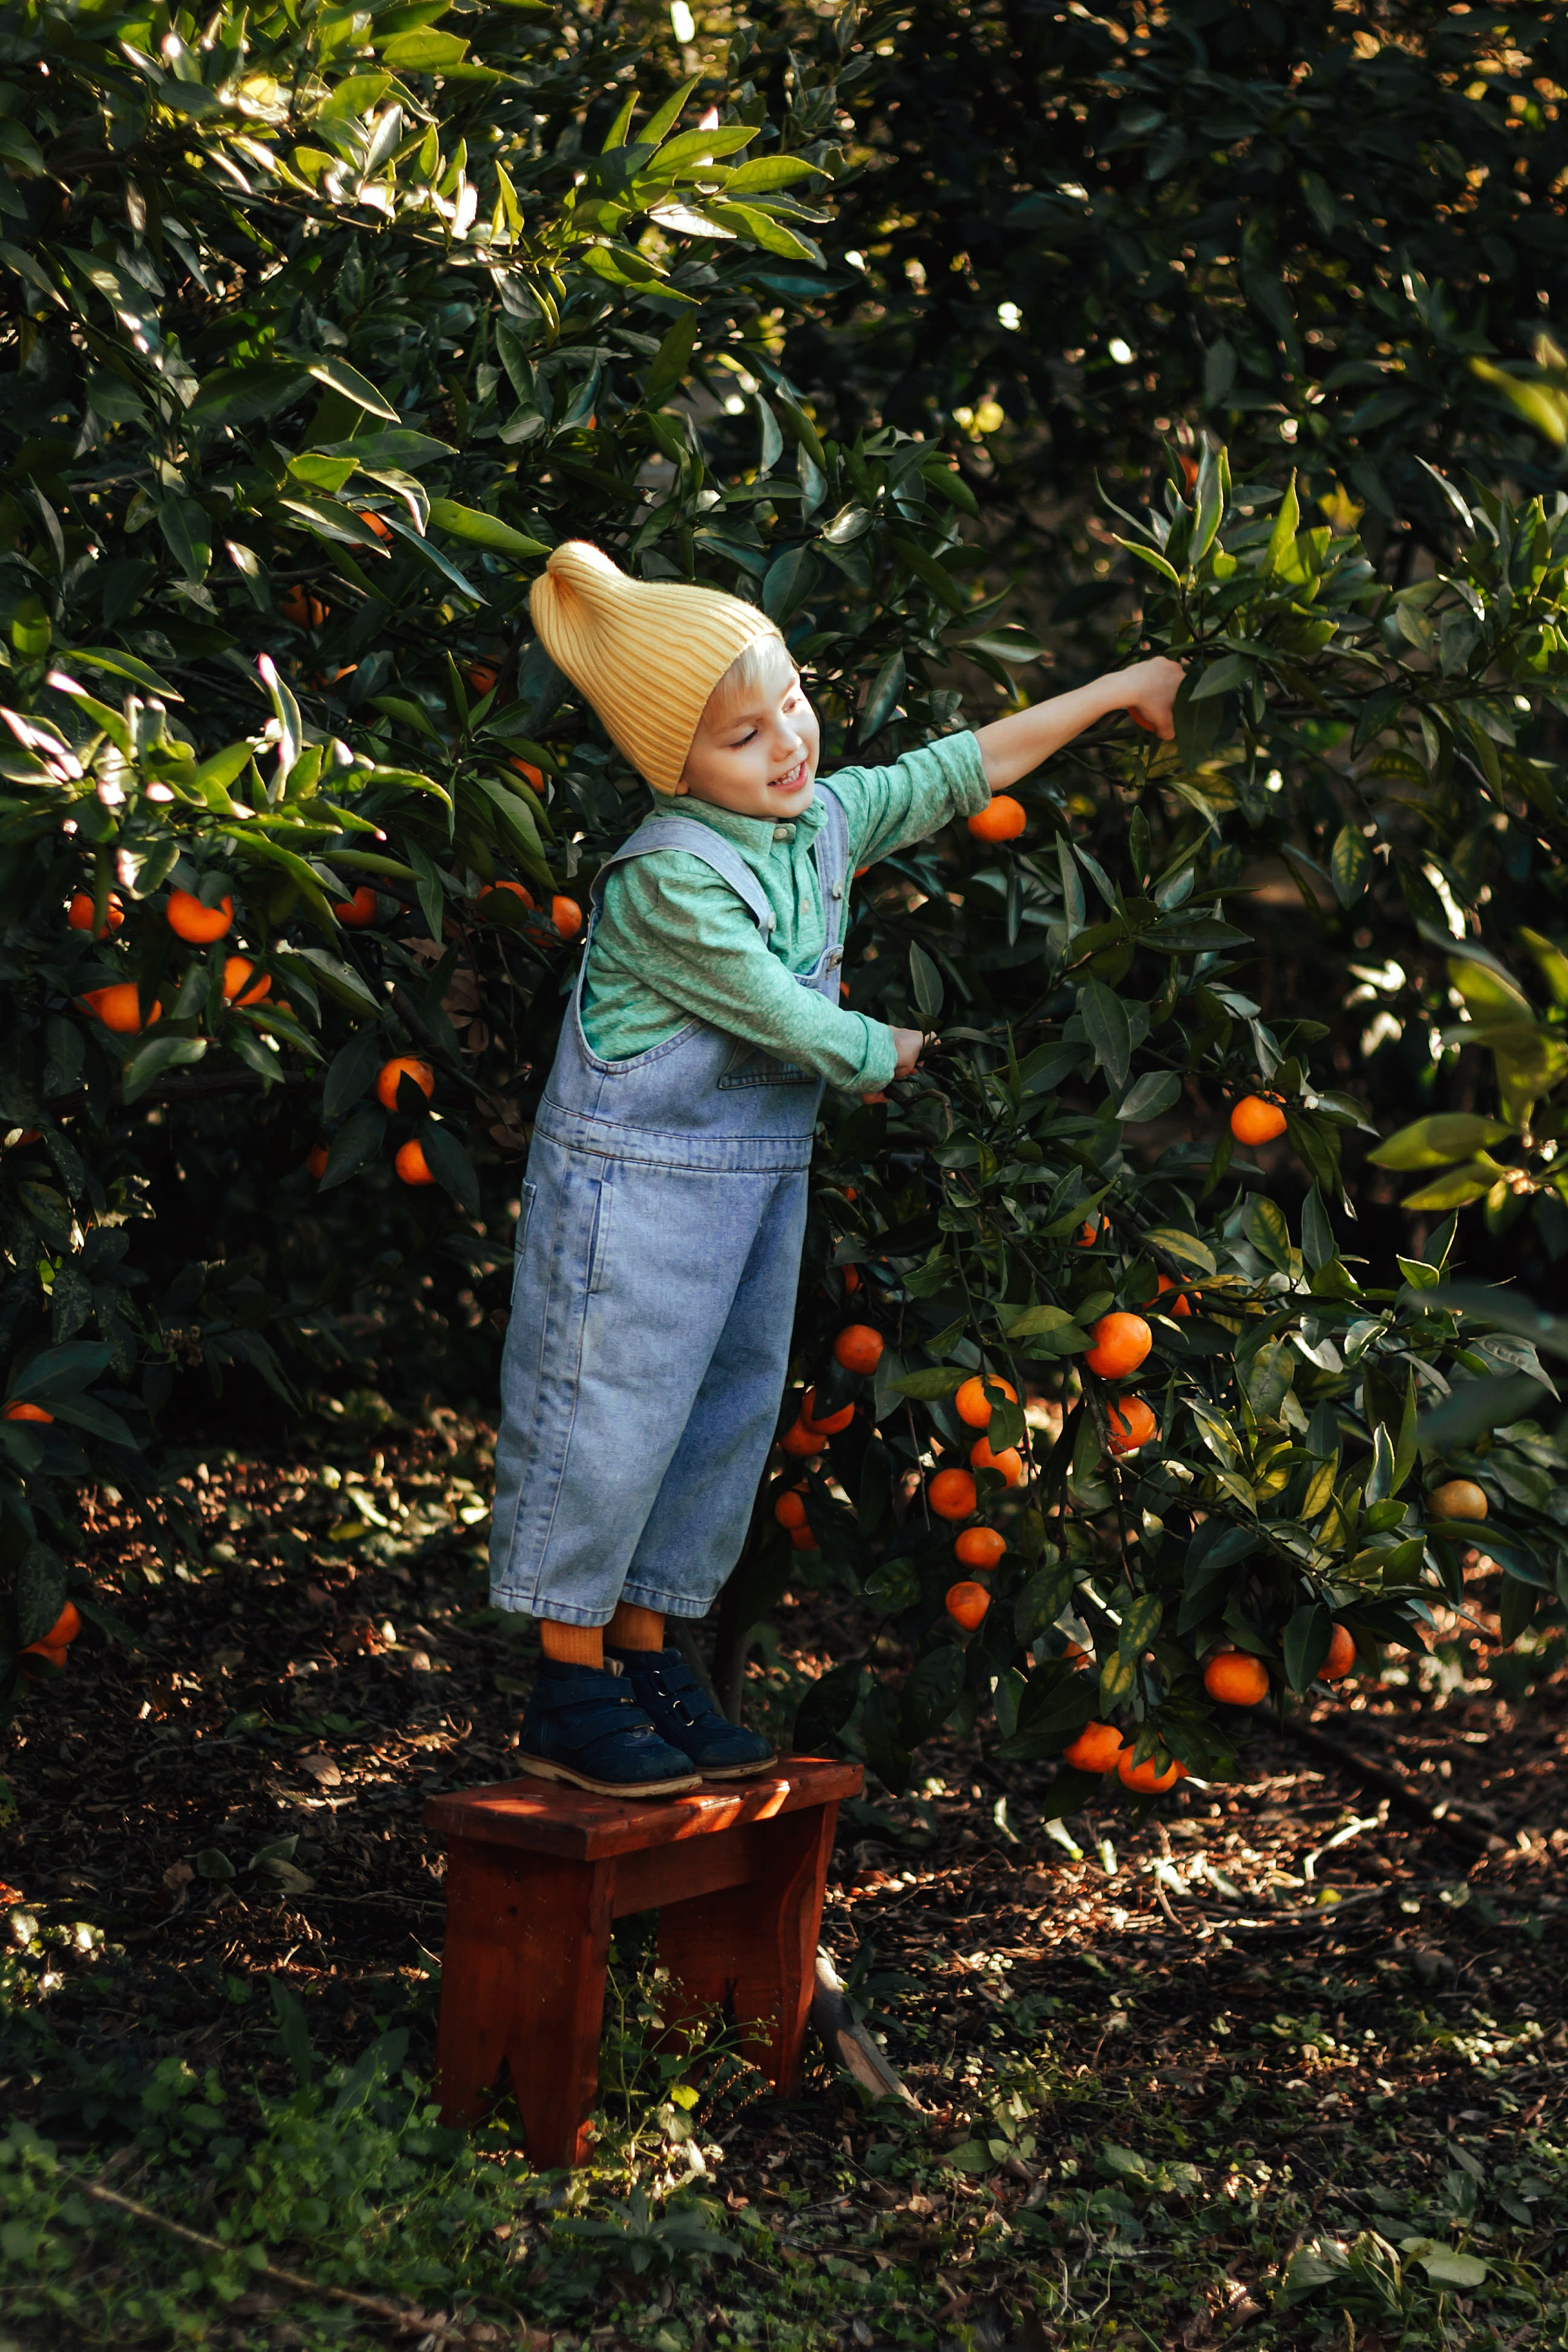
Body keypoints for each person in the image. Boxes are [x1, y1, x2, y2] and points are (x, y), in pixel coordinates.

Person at [491, 540, 1182, 1796]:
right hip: (629, 1198)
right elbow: (780, 1012)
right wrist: (884, 1049)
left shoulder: (816, 824)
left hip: (750, 1189)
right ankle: (567, 1681)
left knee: (717, 1421)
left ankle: (644, 1652)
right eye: (743, 736)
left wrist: (1113, 690)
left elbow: (959, 770)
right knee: (608, 1419)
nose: (787, 745)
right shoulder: (668, 876)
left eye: (793, 702)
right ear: (675, 765)